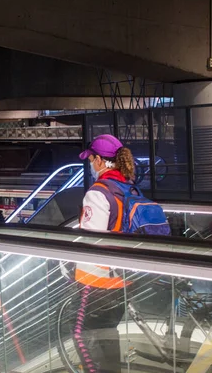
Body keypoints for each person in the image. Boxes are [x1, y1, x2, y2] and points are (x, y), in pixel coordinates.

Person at [71, 134, 138, 373]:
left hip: (97, 282)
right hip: (124, 279)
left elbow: (92, 240)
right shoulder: (128, 187)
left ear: (99, 160)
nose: (90, 164)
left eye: (91, 159)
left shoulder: (98, 193)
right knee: (108, 331)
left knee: (80, 333)